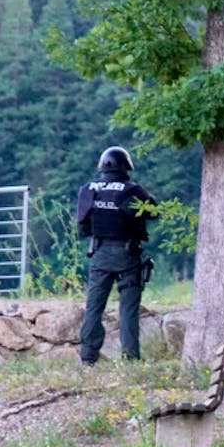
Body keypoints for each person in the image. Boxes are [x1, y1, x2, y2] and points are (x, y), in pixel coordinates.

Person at [76, 146, 157, 365]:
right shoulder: (131, 190)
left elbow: (82, 226)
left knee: (94, 307)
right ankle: (130, 359)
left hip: (99, 254)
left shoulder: (88, 188)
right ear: (126, 166)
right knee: (128, 309)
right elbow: (153, 212)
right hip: (127, 255)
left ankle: (88, 358)